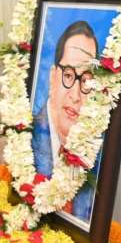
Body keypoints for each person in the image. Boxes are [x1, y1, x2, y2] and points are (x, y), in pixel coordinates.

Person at [31, 20, 101, 223]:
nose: (76, 95)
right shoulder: (26, 137)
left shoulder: (96, 151)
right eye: (68, 75)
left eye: (86, 81)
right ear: (53, 77)